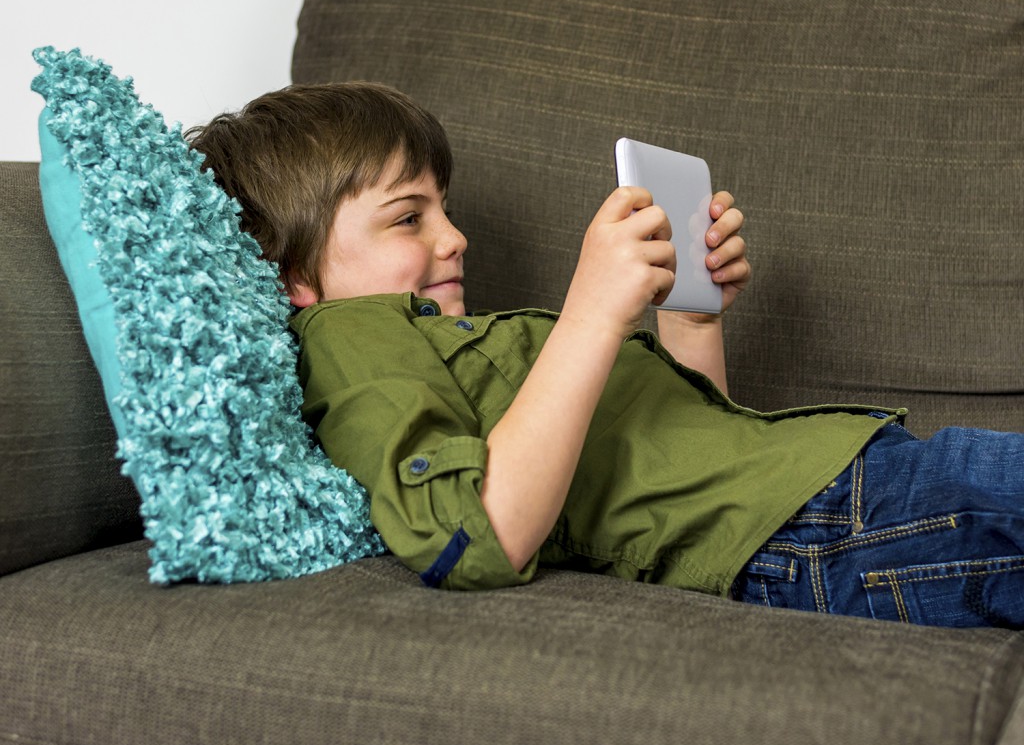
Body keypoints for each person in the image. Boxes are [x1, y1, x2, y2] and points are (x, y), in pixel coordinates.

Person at [187, 82, 1024, 628]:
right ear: (296, 273)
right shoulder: (354, 335)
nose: (455, 238)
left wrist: (690, 320)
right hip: (818, 524)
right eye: (410, 219)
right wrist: (591, 311)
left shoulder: (444, 337)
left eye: (445, 208)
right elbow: (471, 537)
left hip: (824, 499)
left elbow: (687, 456)